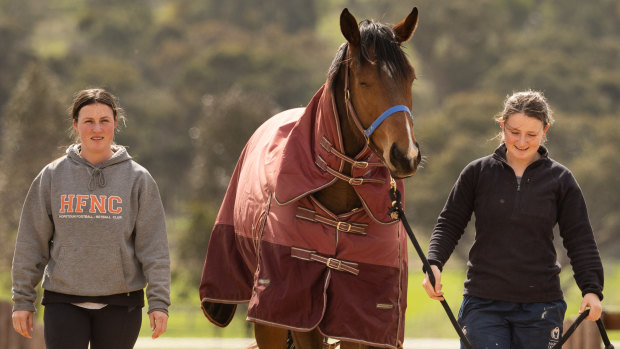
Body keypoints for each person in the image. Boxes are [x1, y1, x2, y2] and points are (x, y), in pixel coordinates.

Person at [422, 90, 604, 349]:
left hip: (541, 307)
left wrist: (592, 289)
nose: (521, 141)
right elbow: (449, 223)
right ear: (502, 125)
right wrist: (434, 263)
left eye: (531, 134)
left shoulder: (561, 180)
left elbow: (580, 239)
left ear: (545, 130)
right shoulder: (477, 173)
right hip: (483, 304)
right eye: (514, 132)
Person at [11, 88, 171, 349]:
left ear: (115, 123)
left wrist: (159, 301)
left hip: (122, 302)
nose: (97, 128)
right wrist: (22, 300)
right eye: (88, 121)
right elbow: (31, 242)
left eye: (104, 120)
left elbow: (154, 248)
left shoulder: (139, 179)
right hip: (62, 300)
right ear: (76, 125)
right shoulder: (52, 176)